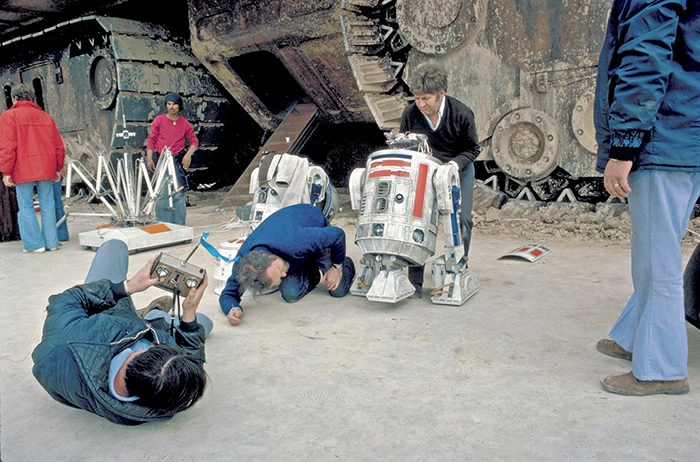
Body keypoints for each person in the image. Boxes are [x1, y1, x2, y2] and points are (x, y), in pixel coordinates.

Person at [593, 0, 699, 395]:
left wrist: (624, 145)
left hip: (664, 136)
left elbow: (645, 54)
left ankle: (661, 370)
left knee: (657, 262)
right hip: (686, 131)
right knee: (660, 250)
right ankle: (635, 336)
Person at [32, 239, 213, 424]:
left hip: (104, 310)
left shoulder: (67, 340)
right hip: (137, 326)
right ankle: (151, 315)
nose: (154, 344)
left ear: (138, 355)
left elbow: (62, 301)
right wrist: (189, 312)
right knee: (203, 322)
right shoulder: (170, 395)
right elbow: (193, 364)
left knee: (114, 246)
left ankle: (149, 315)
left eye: (155, 347)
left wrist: (128, 287)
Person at [399, 64, 480, 298]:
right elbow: (406, 147)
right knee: (418, 220)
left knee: (462, 219)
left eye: (425, 99)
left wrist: (452, 165)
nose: (420, 104)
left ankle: (459, 268)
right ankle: (414, 282)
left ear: (441, 94)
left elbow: (473, 149)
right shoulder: (410, 114)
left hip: (458, 169)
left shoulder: (462, 113)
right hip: (426, 170)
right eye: (416, 98)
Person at [219, 203, 355, 326]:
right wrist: (232, 308)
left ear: (269, 256)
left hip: (312, 231)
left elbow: (337, 234)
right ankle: (311, 271)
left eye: (279, 269)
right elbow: (228, 294)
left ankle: (345, 263)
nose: (284, 274)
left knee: (338, 290)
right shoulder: (245, 263)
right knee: (290, 294)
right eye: (279, 276)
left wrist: (336, 266)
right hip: (294, 250)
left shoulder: (296, 240)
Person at [0, 84, 64, 253]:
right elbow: (59, 146)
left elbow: (7, 147)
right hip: (46, 167)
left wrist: (6, 171)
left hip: (22, 168)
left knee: (26, 205)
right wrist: (57, 167)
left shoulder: (9, 116)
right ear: (32, 98)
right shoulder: (45, 117)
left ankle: (35, 245)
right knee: (47, 204)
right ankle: (52, 242)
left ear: (14, 98)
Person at [145, 92, 198, 225]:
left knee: (179, 191)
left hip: (177, 160)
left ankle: (179, 225)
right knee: (162, 192)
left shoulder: (184, 123)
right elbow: (151, 140)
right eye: (168, 104)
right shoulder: (159, 121)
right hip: (162, 159)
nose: (171, 107)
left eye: (174, 104)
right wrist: (149, 158)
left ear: (179, 106)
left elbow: (194, 141)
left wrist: (188, 155)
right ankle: (163, 224)